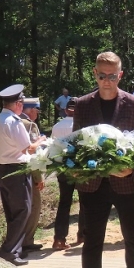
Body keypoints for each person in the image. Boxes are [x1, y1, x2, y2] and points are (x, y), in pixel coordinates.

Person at [73, 51, 134, 268]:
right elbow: (75, 145)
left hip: (126, 183)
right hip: (93, 185)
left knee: (132, 238)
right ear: (94, 74)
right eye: (102, 75)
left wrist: (130, 169)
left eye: (112, 76)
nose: (107, 80)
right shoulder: (82, 104)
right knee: (92, 242)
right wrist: (78, 169)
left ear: (120, 75)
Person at [0, 84, 44, 266]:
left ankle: (15, 249)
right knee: (22, 211)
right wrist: (41, 140)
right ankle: (9, 252)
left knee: (12, 212)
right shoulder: (14, 122)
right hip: (17, 170)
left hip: (2, 170)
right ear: (18, 104)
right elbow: (28, 148)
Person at [50, 98, 83, 250]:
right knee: (85, 202)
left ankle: (59, 238)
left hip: (62, 167)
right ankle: (82, 234)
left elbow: (52, 147)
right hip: (80, 168)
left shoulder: (57, 126)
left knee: (64, 203)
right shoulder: (82, 126)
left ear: (65, 110)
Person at [21, 98, 46, 253]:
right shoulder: (30, 125)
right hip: (29, 171)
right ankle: (26, 241)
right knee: (33, 206)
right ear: (30, 110)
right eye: (37, 110)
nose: (37, 113)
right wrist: (39, 177)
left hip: (13, 170)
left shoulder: (12, 122)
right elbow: (33, 154)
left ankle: (18, 241)